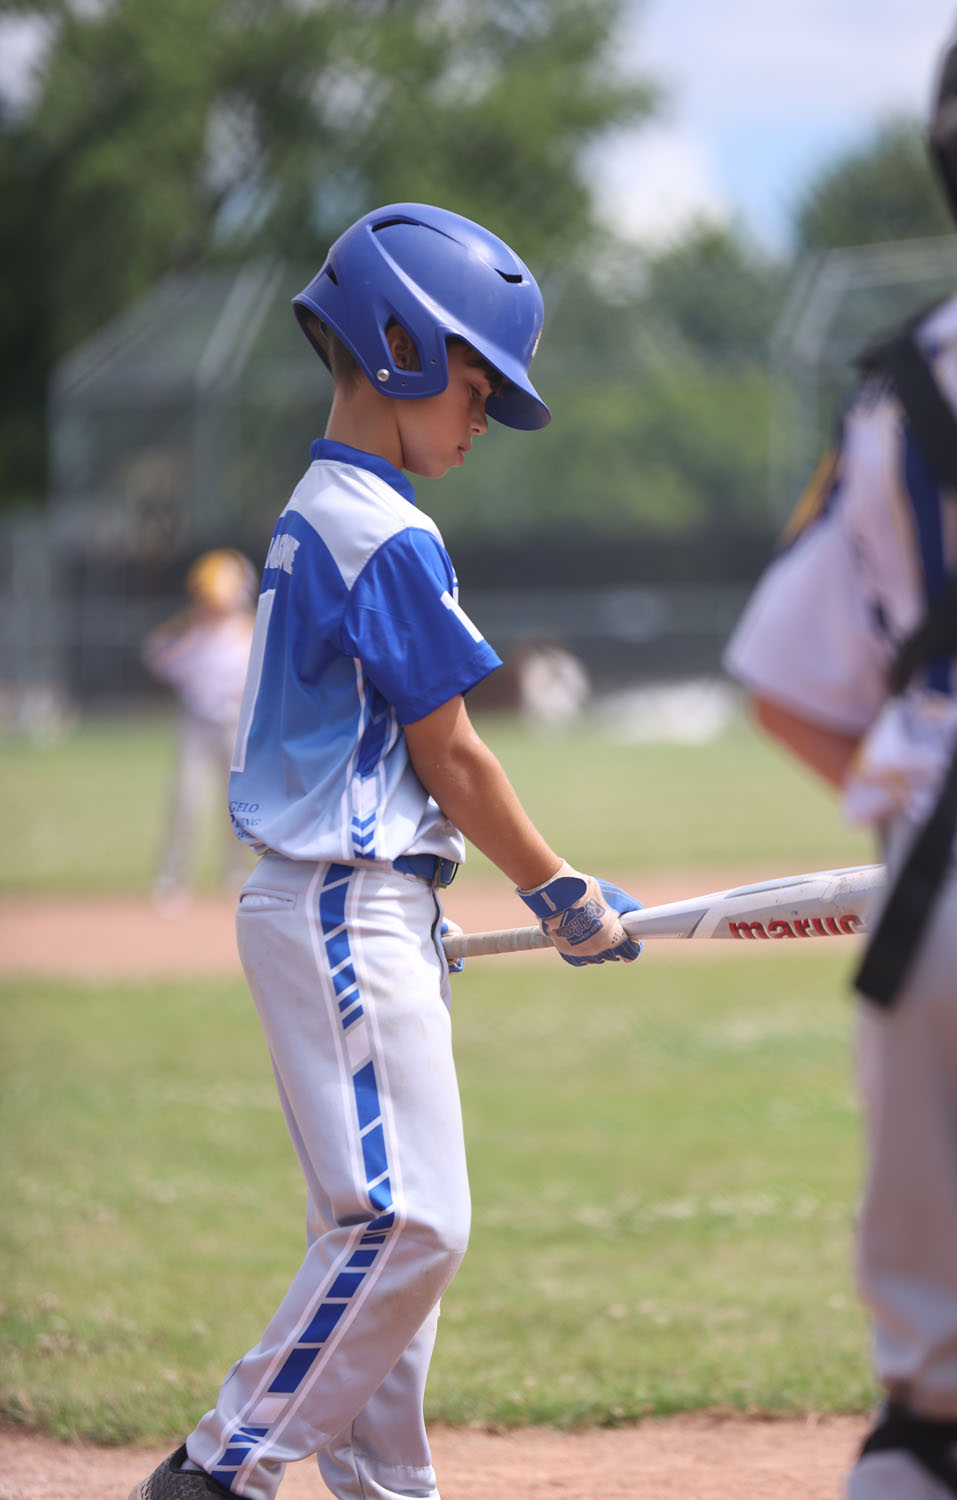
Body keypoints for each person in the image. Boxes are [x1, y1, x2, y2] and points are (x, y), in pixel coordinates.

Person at [129, 203, 642, 1500]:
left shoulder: (322, 507)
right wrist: (559, 888)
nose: (482, 420)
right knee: (411, 1225)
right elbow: (453, 756)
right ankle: (217, 1469)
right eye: (477, 388)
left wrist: (421, 909)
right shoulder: (383, 528)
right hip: (340, 905)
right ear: (402, 344)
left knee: (378, 1238)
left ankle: (384, 1491)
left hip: (360, 905)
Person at [724, 4, 957, 1496]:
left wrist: (926, 840)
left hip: (929, 919)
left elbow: (785, 678)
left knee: (944, 1418)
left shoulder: (902, 386)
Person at [141, 548, 257, 907]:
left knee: (237, 806)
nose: (213, 606)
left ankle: (236, 874)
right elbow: (156, 654)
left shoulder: (252, 632)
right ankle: (173, 877)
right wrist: (188, 623)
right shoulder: (192, 632)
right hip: (197, 725)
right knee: (187, 800)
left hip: (236, 726)